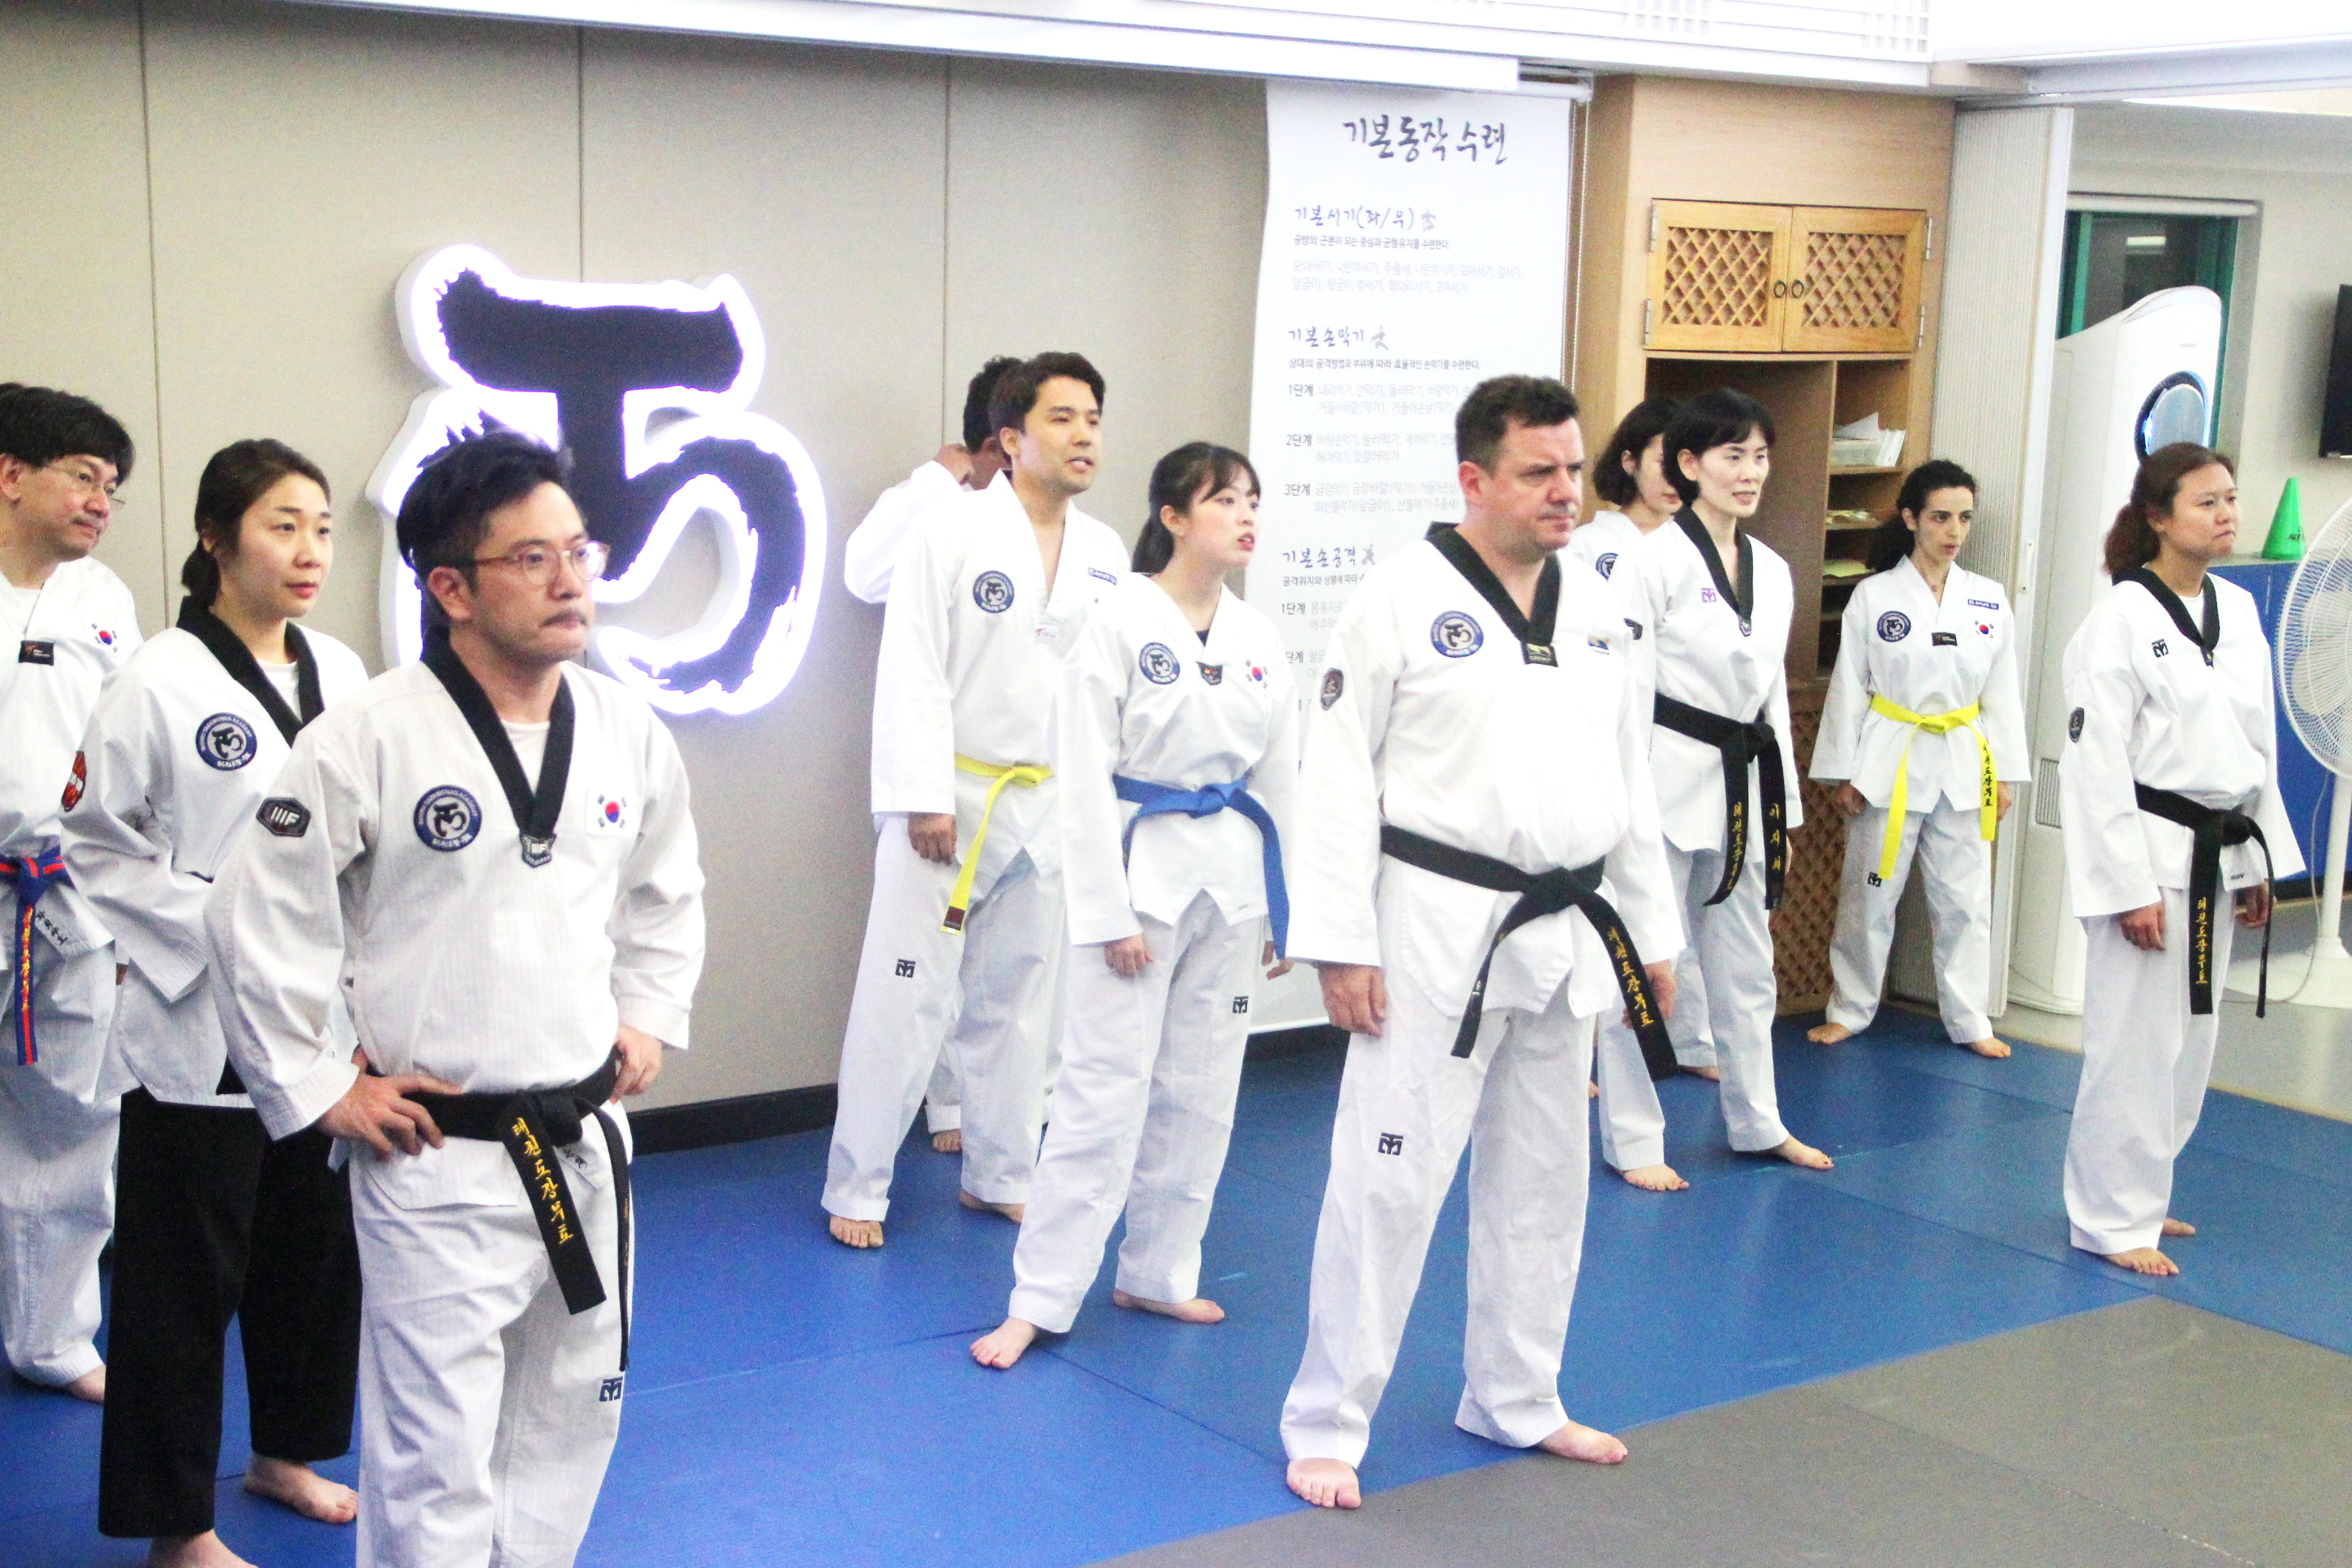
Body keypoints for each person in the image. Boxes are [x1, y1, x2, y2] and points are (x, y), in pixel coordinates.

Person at [205, 428, 706, 1567]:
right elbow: (253, 914)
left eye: (578, 550)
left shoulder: (624, 726)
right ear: (450, 589)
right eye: (531, 558)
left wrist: (646, 1013)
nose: (569, 578)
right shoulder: (372, 732)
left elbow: (668, 887)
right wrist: (320, 1085)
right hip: (438, 1155)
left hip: (583, 1139)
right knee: (434, 1455)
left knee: (569, 1416)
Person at [1279, 376, 1683, 1511]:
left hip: (1566, 930)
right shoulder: (1397, 598)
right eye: (1536, 472)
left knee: (1545, 1179)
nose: (1565, 491)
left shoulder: (1595, 605)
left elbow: (1627, 781)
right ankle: (1326, 1419)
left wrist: (1649, 931)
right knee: (1388, 1177)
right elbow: (1333, 775)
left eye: (1572, 469)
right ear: (1473, 478)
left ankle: (1515, 1393)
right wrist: (1338, 943)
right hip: (1431, 927)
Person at [70, 441, 372, 1567]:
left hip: (321, 1014)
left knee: (313, 1253)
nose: (309, 550)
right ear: (216, 537)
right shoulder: (158, 677)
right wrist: (218, 926)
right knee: (181, 1280)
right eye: (282, 525)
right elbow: (95, 840)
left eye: (322, 527)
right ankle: (177, 1525)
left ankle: (285, 1452)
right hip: (199, 1014)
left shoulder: (343, 671)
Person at [972, 443, 1297, 1370]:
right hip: (1139, 872)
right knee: (1101, 1092)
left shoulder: (1258, 636)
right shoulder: (1116, 623)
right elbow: (1079, 778)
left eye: (1252, 499)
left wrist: (1289, 907)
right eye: (1224, 500)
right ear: (1173, 517)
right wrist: (1106, 912)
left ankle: (1158, 1268)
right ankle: (1040, 1296)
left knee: (1204, 1087)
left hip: (1231, 877)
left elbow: (1281, 774)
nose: (1245, 515)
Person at [825, 352, 1128, 1249]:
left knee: (1022, 1001)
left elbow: (1106, 695)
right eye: (1063, 418)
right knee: (905, 996)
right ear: (1011, 437)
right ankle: (858, 1183)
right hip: (951, 796)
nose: (1084, 435)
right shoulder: (949, 530)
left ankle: (1002, 1173)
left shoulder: (1106, 554)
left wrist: (1100, 808)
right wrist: (922, 795)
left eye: (1094, 419)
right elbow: (913, 664)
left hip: (1049, 799)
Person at [2059, 443, 2294, 1277]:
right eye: (2206, 502)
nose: (2226, 514)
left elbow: (2258, 743)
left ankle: (2144, 1190)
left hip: (2220, 850)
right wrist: (2126, 886)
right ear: (2158, 517)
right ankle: (2107, 1216)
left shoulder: (2238, 608)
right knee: (2132, 1044)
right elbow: (2093, 764)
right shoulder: (2118, 620)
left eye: (2230, 498)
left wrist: (2261, 866)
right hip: (2150, 855)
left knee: (2191, 1042)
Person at [1598, 389, 1831, 1190]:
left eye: (1760, 456)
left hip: (1743, 784)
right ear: (1690, 465)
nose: (1750, 472)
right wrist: (1623, 806)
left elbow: (1771, 701)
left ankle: (1758, 1121)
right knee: (1644, 962)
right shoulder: (1648, 560)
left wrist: (1783, 810)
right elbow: (1627, 693)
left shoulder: (1773, 569)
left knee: (1747, 966)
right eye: (1733, 456)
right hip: (1661, 778)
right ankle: (1634, 1137)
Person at [843, 355, 1022, 1156]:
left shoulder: (1061, 535)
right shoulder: (934, 509)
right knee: (918, 964)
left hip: (1022, 777)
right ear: (995, 444)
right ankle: (910, 1124)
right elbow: (862, 575)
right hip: (935, 771)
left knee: (1002, 976)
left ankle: (970, 1116)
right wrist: (933, 482)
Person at [0, 383, 141, 1403]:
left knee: (76, 1117)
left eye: (111, 487)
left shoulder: (101, 598)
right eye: (83, 477)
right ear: (11, 475)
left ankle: (53, 1336)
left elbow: (132, 752)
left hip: (67, 891)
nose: (101, 502)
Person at [1808, 461, 2028, 1059]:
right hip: (1888, 761)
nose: (1953, 531)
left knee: (1965, 903)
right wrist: (1845, 771)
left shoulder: (1987, 599)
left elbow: (2002, 693)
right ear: (1909, 519)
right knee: (1868, 898)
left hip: (1963, 760)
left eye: (1964, 518)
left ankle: (1969, 1018)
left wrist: (2005, 776)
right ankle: (1849, 1010)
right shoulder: (1874, 596)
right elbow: (1848, 687)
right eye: (1939, 517)